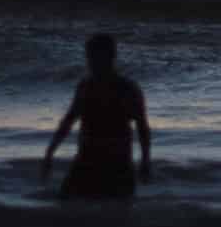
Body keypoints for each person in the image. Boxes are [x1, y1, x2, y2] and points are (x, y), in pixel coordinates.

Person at [40, 32, 152, 200]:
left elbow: (142, 127)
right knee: (66, 205)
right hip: (87, 160)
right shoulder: (86, 87)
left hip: (117, 162)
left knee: (117, 214)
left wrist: (145, 161)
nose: (90, 62)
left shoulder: (127, 89)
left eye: (95, 57)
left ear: (111, 57)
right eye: (89, 57)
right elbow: (69, 121)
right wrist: (50, 153)